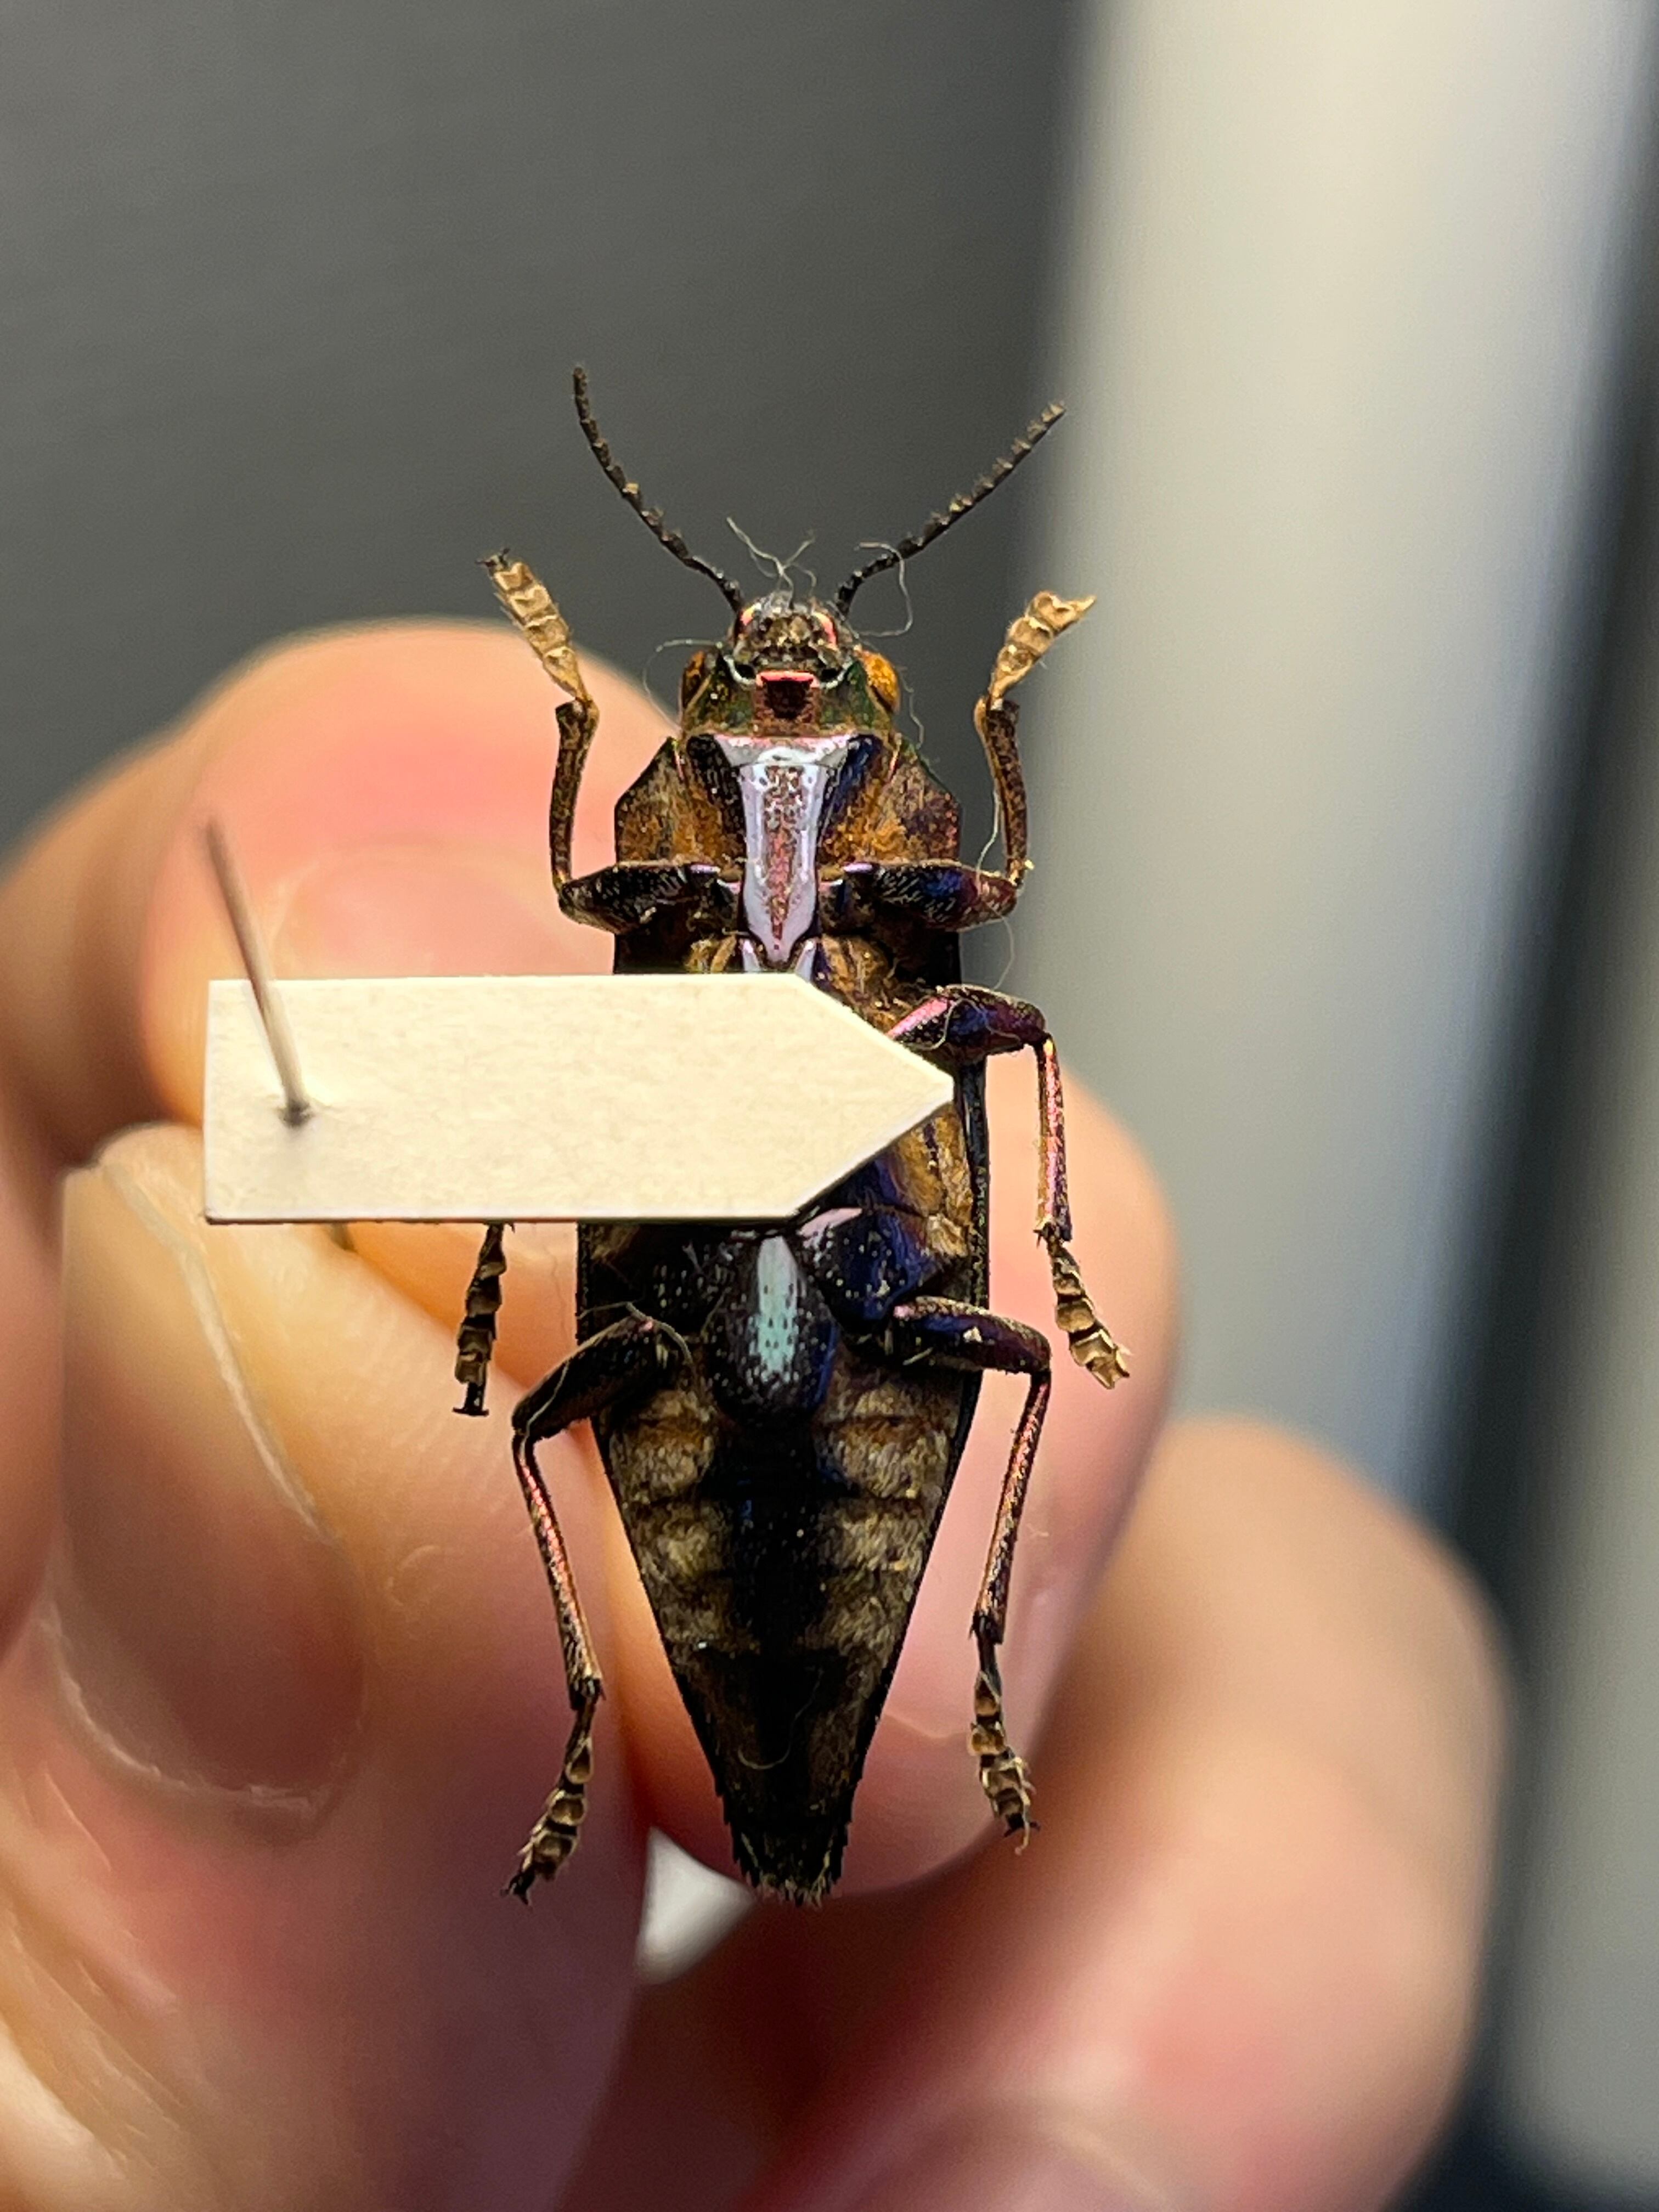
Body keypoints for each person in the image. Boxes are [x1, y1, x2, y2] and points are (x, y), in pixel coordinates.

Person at [0, 623, 1504, 2211]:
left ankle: (974, 1656)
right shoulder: (650, 904)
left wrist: (994, 727)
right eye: (745, 686)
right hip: (693, 1334)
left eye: (829, 686)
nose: (787, 687)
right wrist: (577, 738)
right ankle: (595, 1711)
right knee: (536, 1391)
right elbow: (566, 976)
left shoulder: (907, 912)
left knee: (999, 1351)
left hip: (869, 1329)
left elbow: (986, 894)